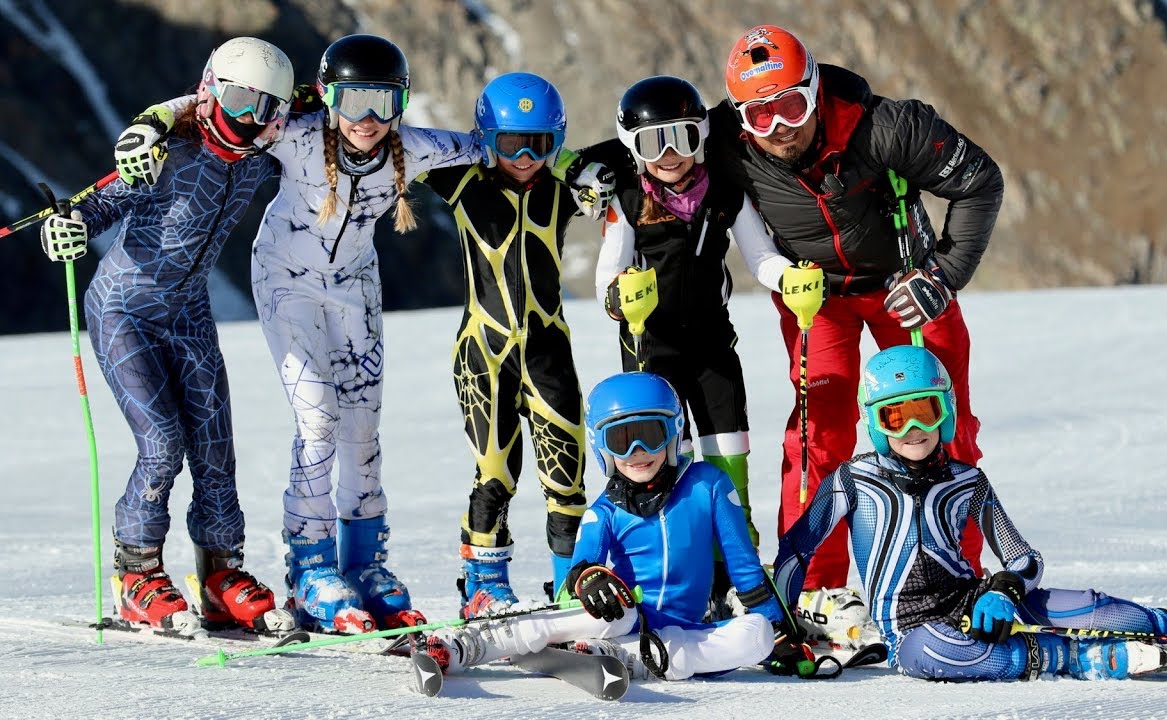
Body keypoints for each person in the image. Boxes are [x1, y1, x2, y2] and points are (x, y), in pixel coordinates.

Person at [112, 35, 605, 632]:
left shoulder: (416, 148)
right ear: (327, 96)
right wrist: (151, 123)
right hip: (286, 280)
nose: (367, 120)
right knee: (318, 418)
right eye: (353, 101)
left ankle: (364, 566)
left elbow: (510, 149)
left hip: (355, 286)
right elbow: (217, 109)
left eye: (383, 102)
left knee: (363, 427)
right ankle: (312, 568)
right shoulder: (292, 134)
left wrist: (579, 166)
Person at [772, 344, 1167, 681]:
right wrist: (782, 626)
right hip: (912, 632)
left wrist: (1003, 589)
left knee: (1089, 605)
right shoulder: (853, 480)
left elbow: (1023, 557)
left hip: (973, 601)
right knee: (942, 655)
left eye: (926, 410)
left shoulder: (967, 481)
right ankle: (1088, 658)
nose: (913, 429)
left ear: (945, 410)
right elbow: (798, 548)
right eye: (896, 416)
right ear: (876, 423)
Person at [710, 24, 1004, 592]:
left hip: (908, 290)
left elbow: (980, 181)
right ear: (739, 117)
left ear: (815, 88)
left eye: (792, 106)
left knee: (939, 427)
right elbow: (654, 149)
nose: (780, 129)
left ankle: (956, 575)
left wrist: (942, 275)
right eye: (760, 116)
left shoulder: (890, 128)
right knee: (817, 436)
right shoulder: (724, 139)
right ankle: (815, 589)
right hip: (815, 299)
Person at [41, 37, 296, 634]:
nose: (249, 119)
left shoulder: (260, 156)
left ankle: (221, 575)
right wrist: (69, 227)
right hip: (123, 310)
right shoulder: (166, 152)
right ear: (209, 90)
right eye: (237, 100)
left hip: (188, 313)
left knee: (215, 445)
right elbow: (99, 205)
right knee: (161, 444)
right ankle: (136, 574)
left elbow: (315, 103)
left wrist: (164, 110)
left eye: (267, 111)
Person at [424, 372, 812, 681]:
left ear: (674, 433)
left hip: (682, 632)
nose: (636, 453)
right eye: (621, 439)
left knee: (754, 635)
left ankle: (623, 659)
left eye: (649, 435)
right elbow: (582, 566)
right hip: (622, 616)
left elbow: (745, 570)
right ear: (601, 447)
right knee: (620, 612)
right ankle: (473, 643)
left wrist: (779, 633)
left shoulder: (708, 486)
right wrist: (589, 579)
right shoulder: (605, 510)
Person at [414, 72, 615, 618]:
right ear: (485, 139)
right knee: (496, 474)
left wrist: (575, 167)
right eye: (509, 144)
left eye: (541, 144)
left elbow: (623, 152)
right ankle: (485, 584)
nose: (525, 156)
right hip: (484, 354)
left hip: (550, 354)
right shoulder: (461, 182)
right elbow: (398, 144)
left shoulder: (562, 189)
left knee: (567, 481)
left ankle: (569, 587)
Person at [592, 75, 794, 616]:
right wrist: (619, 297)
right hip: (649, 350)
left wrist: (790, 279)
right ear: (633, 147)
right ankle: (677, 569)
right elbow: (606, 274)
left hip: (711, 348)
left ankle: (738, 571)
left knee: (730, 460)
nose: (670, 155)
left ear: (701, 135)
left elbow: (760, 257)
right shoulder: (627, 199)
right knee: (659, 462)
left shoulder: (725, 189)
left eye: (681, 137)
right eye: (654, 142)